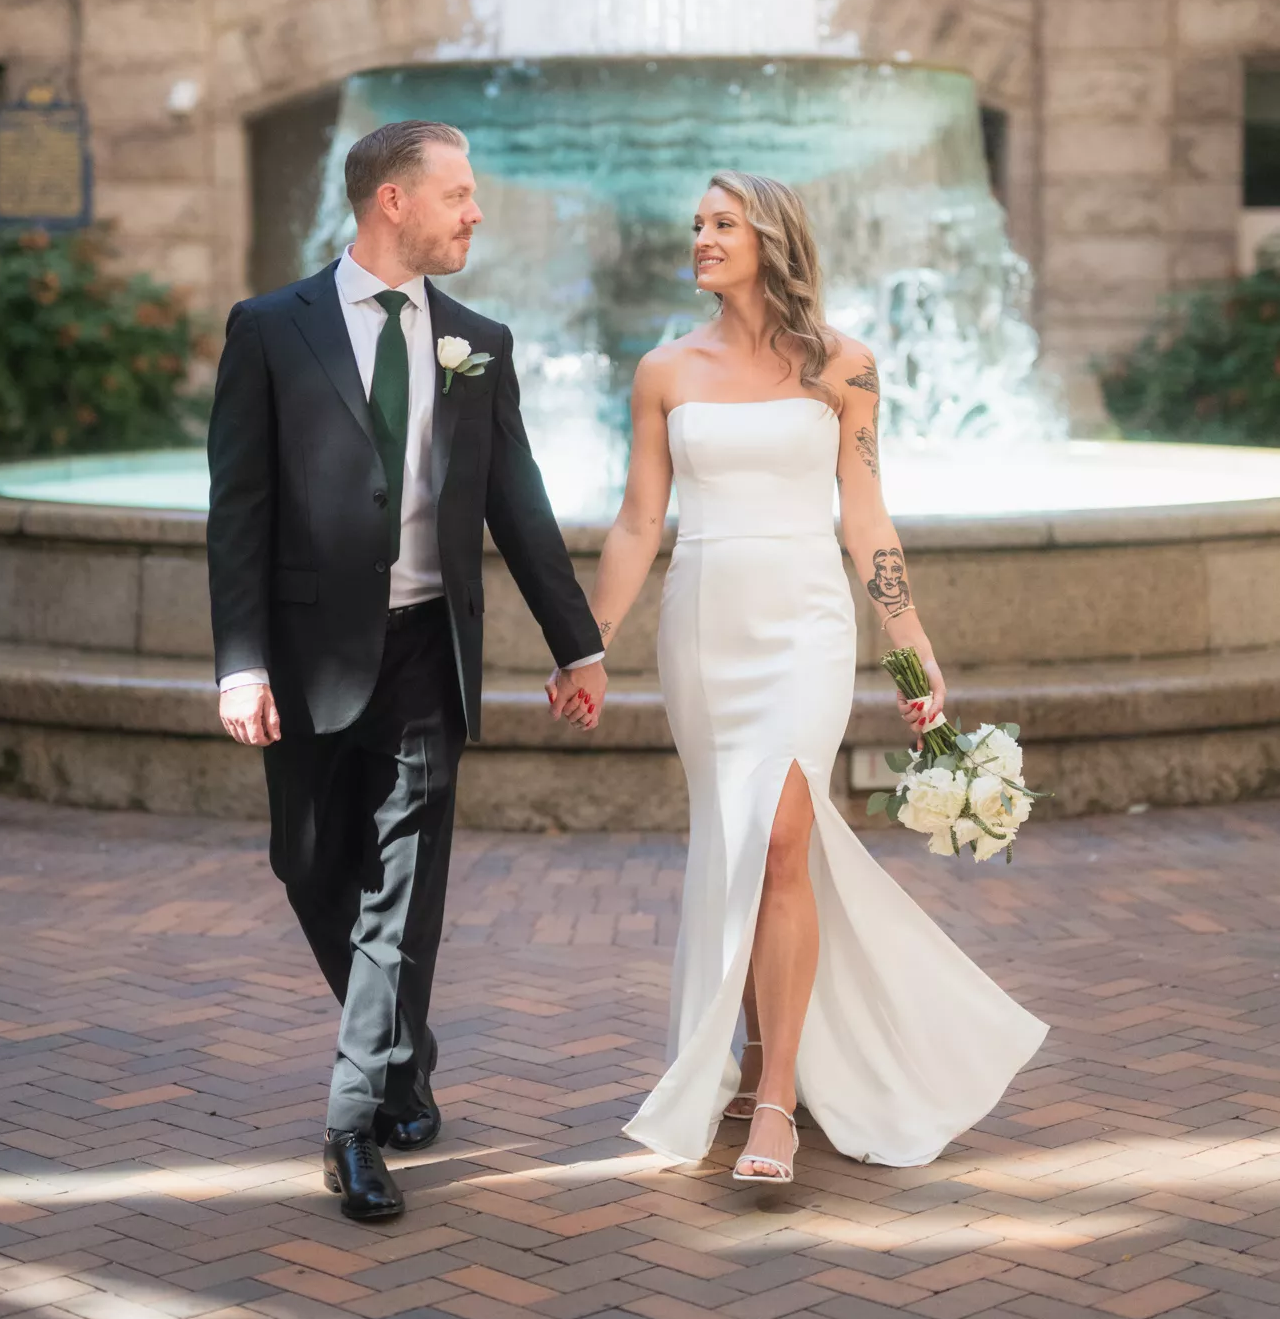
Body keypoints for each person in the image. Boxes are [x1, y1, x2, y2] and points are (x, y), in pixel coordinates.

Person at [564, 170, 1046, 1182]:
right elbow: (639, 522)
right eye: (695, 224)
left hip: (806, 623)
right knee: (741, 844)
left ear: (770, 238)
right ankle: (753, 1057)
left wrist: (910, 648)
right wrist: (588, 644)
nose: (700, 238)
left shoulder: (844, 365)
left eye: (721, 223)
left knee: (784, 833)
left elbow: (865, 518)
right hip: (705, 628)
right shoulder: (663, 369)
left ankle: (776, 1099)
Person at [207, 119, 606, 1224]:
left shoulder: (478, 340)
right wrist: (240, 664)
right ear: (393, 201)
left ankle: (350, 1125)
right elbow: (237, 513)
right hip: (306, 655)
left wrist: (576, 643)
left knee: (400, 894)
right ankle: (399, 1055)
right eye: (457, 194)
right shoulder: (269, 329)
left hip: (428, 649)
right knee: (304, 864)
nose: (475, 212)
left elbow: (518, 503)